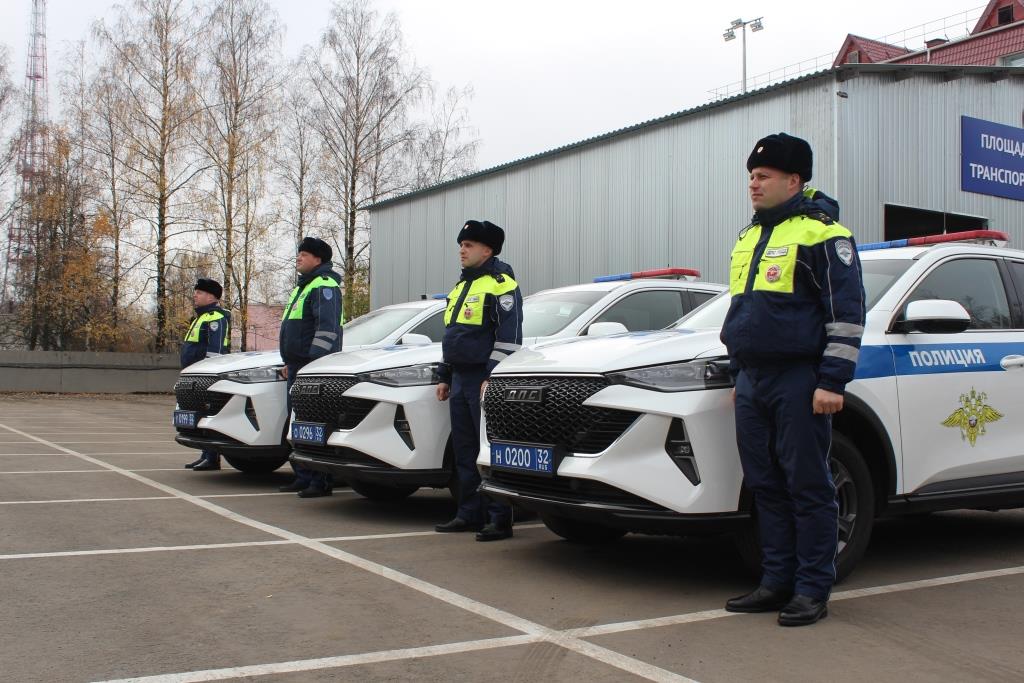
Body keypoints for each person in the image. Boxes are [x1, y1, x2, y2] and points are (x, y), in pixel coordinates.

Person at [721, 133, 865, 626]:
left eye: (762, 177)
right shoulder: (748, 236)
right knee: (765, 485)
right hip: (754, 381)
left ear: (794, 180)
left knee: (808, 484)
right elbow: (741, 313)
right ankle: (775, 580)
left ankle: (811, 589)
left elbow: (845, 315)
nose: (753, 186)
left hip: (799, 379)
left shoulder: (824, 235)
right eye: (751, 178)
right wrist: (740, 374)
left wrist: (832, 381)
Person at [434, 220, 523, 542]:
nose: (462, 249)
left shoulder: (501, 284)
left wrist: (492, 376)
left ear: (487, 250)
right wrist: (444, 376)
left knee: (489, 451)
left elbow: (510, 336)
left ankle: (499, 519)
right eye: (461, 244)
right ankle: (468, 513)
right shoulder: (461, 287)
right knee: (464, 450)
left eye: (469, 245)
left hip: (481, 379)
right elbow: (452, 336)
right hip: (459, 378)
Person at [278, 237, 344, 498]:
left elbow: (327, 330)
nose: (298, 258)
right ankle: (303, 475)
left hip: (311, 368)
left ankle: (320, 481)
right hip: (296, 366)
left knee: (315, 424)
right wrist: (289, 361)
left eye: (303, 255)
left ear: (318, 259)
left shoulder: (324, 286)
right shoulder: (302, 287)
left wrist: (313, 364)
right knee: (298, 424)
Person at [181, 278, 231, 471]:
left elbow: (215, 351)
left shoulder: (215, 317)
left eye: (199, 292)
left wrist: (208, 376)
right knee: (198, 416)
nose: (195, 295)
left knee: (207, 414)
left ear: (211, 296)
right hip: (194, 375)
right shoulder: (200, 317)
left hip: (204, 377)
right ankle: (205, 454)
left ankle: (211, 457)